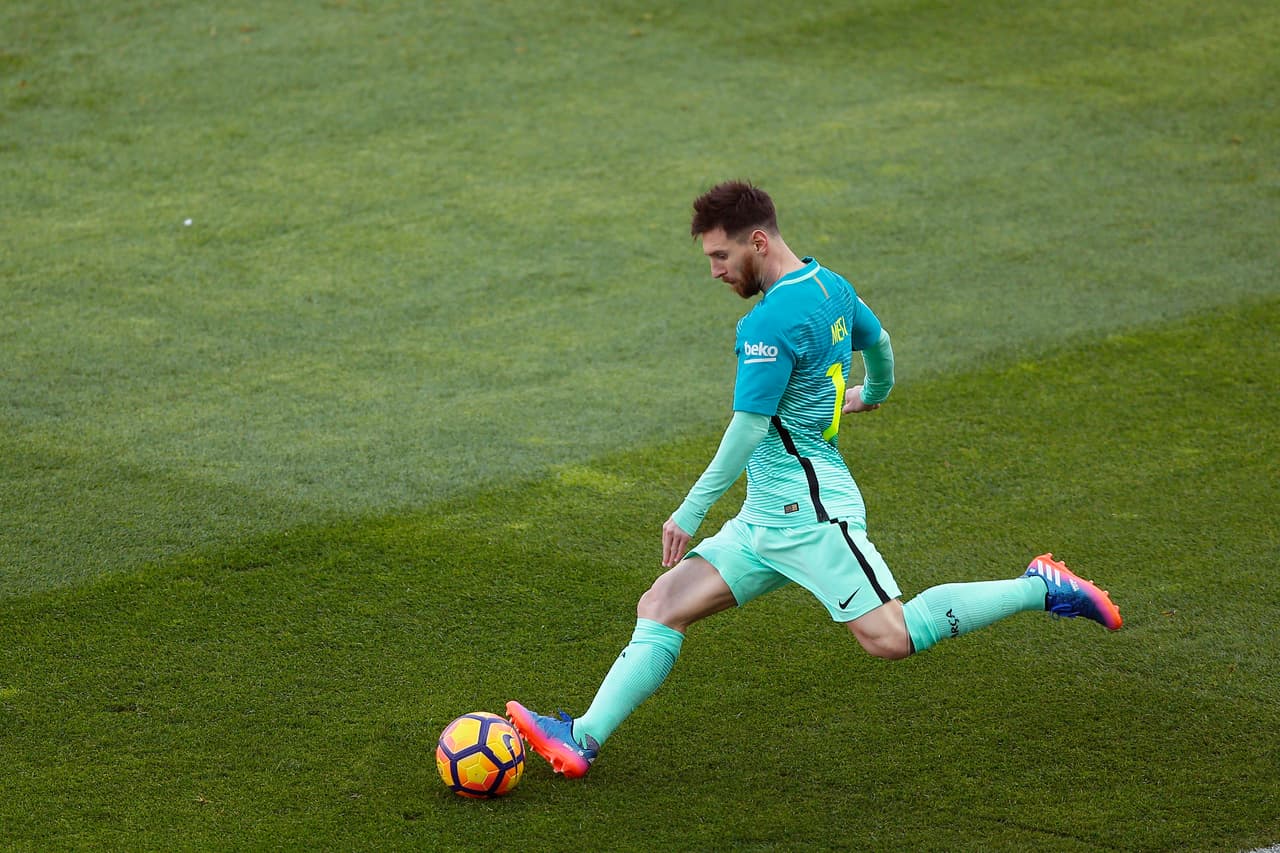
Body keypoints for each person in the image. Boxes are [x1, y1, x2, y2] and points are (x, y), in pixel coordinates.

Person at [507, 180, 1121, 779]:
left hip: (811, 512)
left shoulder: (766, 327)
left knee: (891, 637)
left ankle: (1040, 587)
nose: (716, 271)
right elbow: (878, 343)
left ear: (756, 241)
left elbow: (747, 430)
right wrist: (871, 394)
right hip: (766, 515)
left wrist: (690, 511)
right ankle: (581, 738)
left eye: (721, 256)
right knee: (662, 604)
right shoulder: (831, 287)